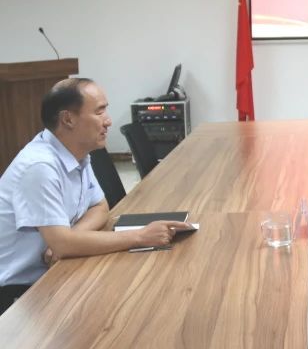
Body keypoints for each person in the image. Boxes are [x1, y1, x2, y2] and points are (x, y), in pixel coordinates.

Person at [0, 79, 193, 315]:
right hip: (18, 295)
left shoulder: (77, 153)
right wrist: (141, 236)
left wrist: (70, 238)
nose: (108, 121)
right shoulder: (40, 167)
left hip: (56, 269)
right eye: (99, 111)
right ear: (68, 119)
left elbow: (100, 207)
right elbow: (63, 245)